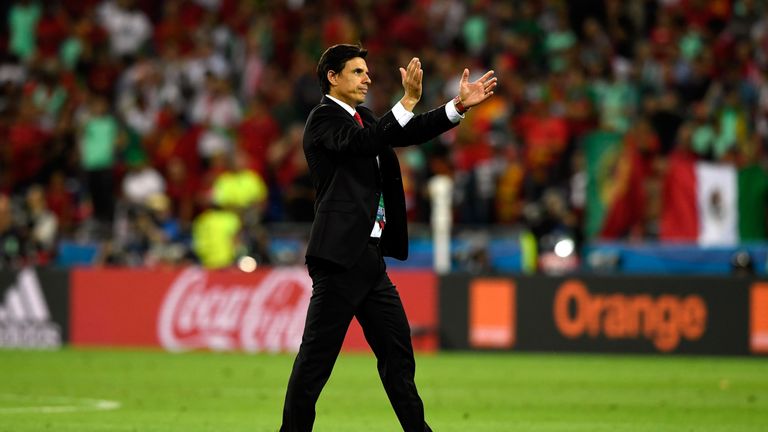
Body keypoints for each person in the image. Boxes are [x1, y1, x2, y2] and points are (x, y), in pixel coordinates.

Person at [279, 43, 497, 432]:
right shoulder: (323, 120)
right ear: (333, 77)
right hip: (339, 257)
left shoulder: (363, 118)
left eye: (366, 71)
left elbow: (405, 131)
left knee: (398, 355)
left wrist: (457, 107)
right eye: (357, 72)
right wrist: (408, 99)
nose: (367, 78)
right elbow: (365, 144)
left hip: (368, 258)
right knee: (315, 363)